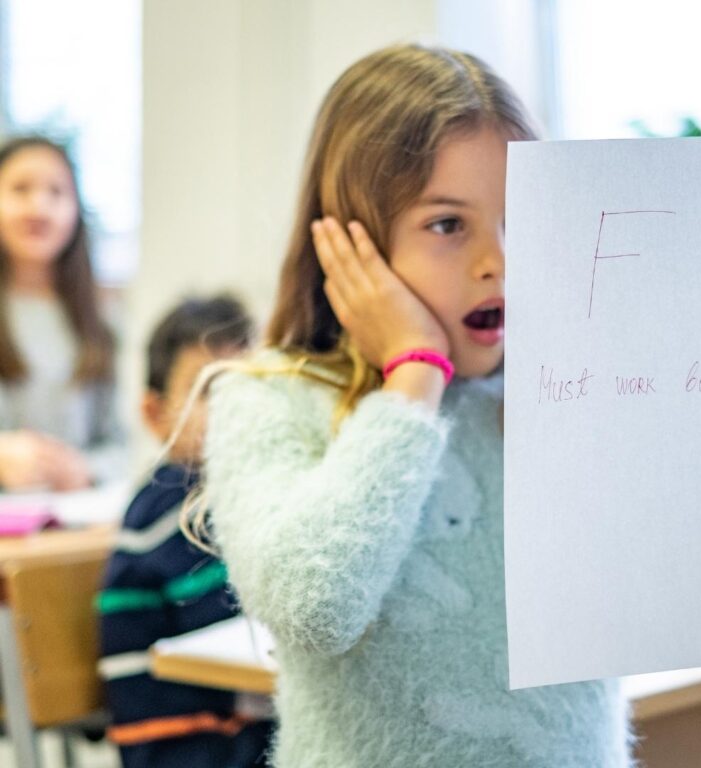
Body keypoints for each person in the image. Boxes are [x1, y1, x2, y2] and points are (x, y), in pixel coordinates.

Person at [201, 45, 634, 767]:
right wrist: (413, 375)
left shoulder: (560, 393)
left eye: (520, 219)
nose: (498, 261)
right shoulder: (267, 400)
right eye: (448, 225)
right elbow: (315, 608)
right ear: (354, 244)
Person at [97, 295, 274, 768]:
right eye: (210, 389)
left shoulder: (248, 490)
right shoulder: (167, 510)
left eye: (251, 385)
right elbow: (242, 630)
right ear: (155, 415)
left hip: (243, 734)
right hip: (189, 749)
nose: (236, 408)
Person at [0, 135, 123, 490]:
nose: (39, 207)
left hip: (75, 517)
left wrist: (84, 469)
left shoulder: (103, 320)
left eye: (56, 192)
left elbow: (126, 445)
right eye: (20, 189)